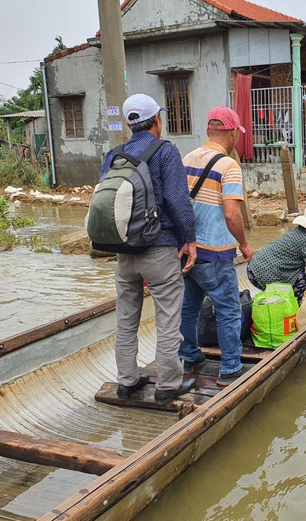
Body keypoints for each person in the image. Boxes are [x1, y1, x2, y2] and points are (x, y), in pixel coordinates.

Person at [102, 93, 197, 406]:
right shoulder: (165, 150)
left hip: (123, 253)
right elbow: (177, 200)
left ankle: (126, 381)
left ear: (131, 125)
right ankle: (168, 384)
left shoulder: (113, 154)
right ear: (157, 120)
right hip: (159, 249)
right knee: (168, 318)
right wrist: (189, 238)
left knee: (126, 319)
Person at [178, 106, 253, 387]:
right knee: (229, 309)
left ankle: (189, 355)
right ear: (232, 133)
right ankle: (231, 367)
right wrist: (244, 244)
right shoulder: (228, 165)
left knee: (189, 307)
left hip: (189, 250)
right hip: (217, 254)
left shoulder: (188, 158)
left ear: (209, 131)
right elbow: (232, 214)